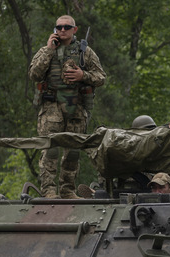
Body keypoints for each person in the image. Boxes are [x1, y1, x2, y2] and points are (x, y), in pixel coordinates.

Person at [29, 15, 106, 199]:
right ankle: (48, 190)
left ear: (74, 29)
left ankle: (67, 189)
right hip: (51, 107)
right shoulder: (46, 50)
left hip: (76, 107)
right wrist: (49, 50)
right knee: (50, 149)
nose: (62, 30)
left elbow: (101, 77)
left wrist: (83, 76)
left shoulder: (85, 52)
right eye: (58, 27)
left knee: (72, 151)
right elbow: (34, 74)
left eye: (66, 27)